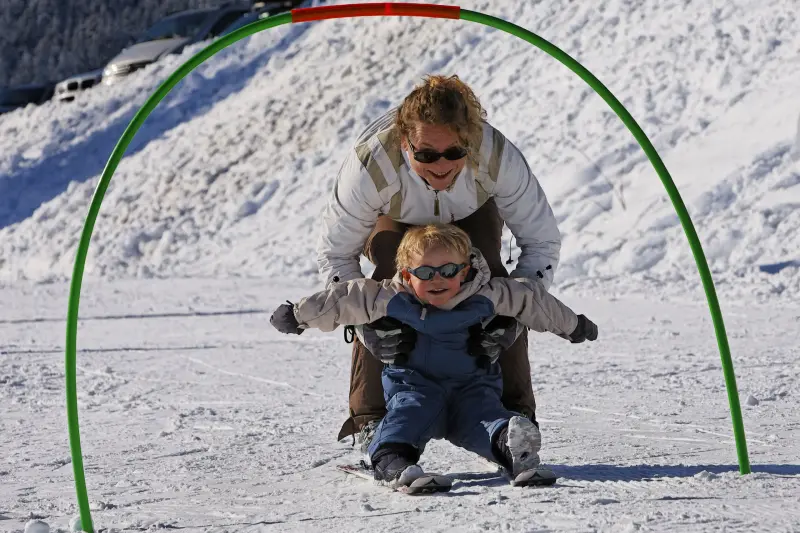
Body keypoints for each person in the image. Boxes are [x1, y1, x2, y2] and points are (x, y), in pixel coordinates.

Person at [316, 75, 563, 450]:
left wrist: (513, 316)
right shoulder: (374, 164)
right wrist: (368, 325)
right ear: (405, 144)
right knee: (383, 285)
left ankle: (516, 419)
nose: (441, 166)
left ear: (470, 142)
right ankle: (371, 418)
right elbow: (336, 255)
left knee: (496, 284)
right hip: (394, 216)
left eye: (454, 152)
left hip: (471, 213)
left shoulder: (495, 156)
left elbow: (541, 241)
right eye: (426, 155)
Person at [271, 224, 598, 486]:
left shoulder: (488, 294)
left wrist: (574, 326)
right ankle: (392, 460)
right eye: (426, 273)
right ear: (407, 272)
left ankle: (513, 448)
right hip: (415, 386)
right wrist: (298, 315)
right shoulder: (388, 296)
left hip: (473, 386)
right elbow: (343, 300)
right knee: (405, 419)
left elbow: (533, 300)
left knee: (486, 420)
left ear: (465, 270)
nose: (437, 279)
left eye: (448, 270)